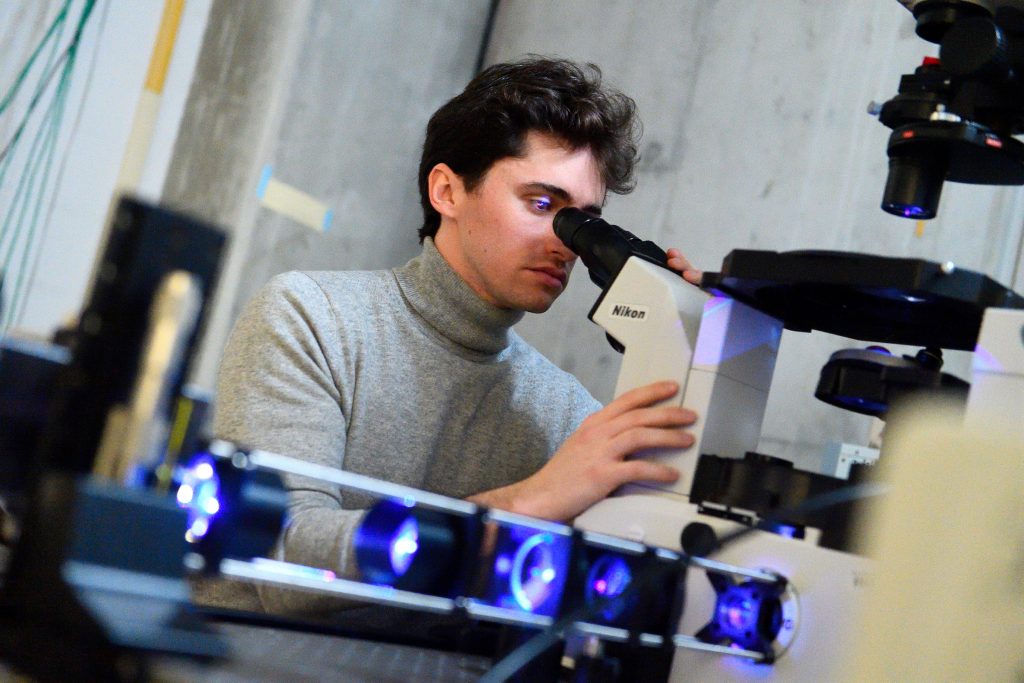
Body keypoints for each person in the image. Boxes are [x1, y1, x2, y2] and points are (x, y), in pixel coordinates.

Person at [198, 57, 701, 616]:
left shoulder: (566, 417)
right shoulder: (313, 319)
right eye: (541, 204)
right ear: (447, 191)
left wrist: (698, 330)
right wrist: (523, 504)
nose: (568, 244)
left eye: (585, 221)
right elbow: (278, 561)